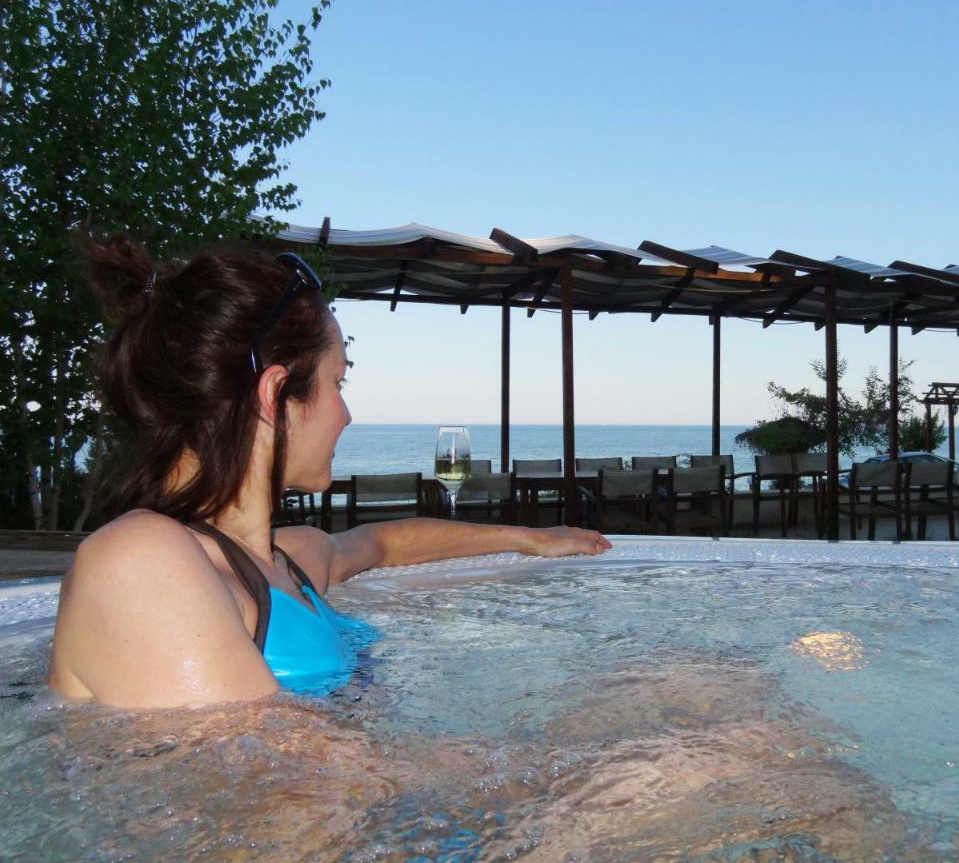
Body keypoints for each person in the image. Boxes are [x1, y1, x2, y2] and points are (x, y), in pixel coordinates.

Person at [48, 237, 610, 708]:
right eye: (337, 383)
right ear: (275, 395)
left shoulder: (283, 563)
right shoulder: (137, 561)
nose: (346, 414)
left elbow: (383, 543)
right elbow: (274, 791)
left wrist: (528, 538)